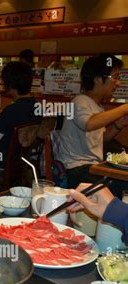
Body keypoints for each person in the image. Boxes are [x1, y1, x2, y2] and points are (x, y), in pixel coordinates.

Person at [55, 54, 128, 197]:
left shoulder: (96, 106)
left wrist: (118, 126)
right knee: (122, 186)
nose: (117, 83)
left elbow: (100, 138)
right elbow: (88, 124)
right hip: (76, 171)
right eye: (115, 77)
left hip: (92, 168)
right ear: (97, 80)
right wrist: (125, 108)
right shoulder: (79, 101)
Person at [0, 61, 40, 170]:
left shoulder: (11, 110)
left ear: (11, 85)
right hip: (22, 162)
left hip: (0, 163)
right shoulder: (37, 106)